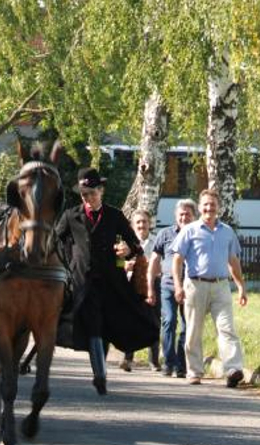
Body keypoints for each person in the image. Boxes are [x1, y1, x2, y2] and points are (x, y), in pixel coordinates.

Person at [56, 167, 148, 396]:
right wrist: (67, 262)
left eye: (92, 194)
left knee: (105, 326)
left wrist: (127, 250)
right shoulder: (70, 216)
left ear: (101, 191)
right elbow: (54, 242)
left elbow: (135, 245)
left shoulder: (115, 216)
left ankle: (105, 368)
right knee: (94, 325)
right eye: (84, 195)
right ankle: (100, 373)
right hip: (80, 282)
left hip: (110, 283)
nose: (88, 199)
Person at [171, 189, 247, 387]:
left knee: (227, 328)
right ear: (199, 207)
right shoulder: (190, 230)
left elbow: (233, 261)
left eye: (212, 204)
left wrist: (241, 286)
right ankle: (194, 371)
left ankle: (232, 370)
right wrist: (178, 286)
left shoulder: (227, 232)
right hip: (195, 286)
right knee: (194, 330)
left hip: (221, 286)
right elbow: (177, 260)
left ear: (218, 207)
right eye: (205, 204)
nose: (209, 208)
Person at [146, 199, 198, 378]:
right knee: (168, 321)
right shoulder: (165, 234)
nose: (184, 217)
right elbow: (153, 261)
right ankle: (169, 362)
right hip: (167, 285)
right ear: (176, 216)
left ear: (194, 216)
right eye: (181, 214)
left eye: (188, 214)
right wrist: (150, 288)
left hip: (191, 287)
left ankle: (181, 365)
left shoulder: (198, 234)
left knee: (187, 326)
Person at [120, 209, 162, 372]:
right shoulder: (125, 243)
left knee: (153, 321)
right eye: (138, 222)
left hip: (153, 285)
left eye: (144, 221)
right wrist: (125, 265)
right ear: (132, 225)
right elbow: (116, 264)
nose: (141, 225)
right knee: (130, 320)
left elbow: (162, 263)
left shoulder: (157, 241)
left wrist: (153, 266)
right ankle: (127, 359)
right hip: (131, 285)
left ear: (149, 224)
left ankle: (154, 361)